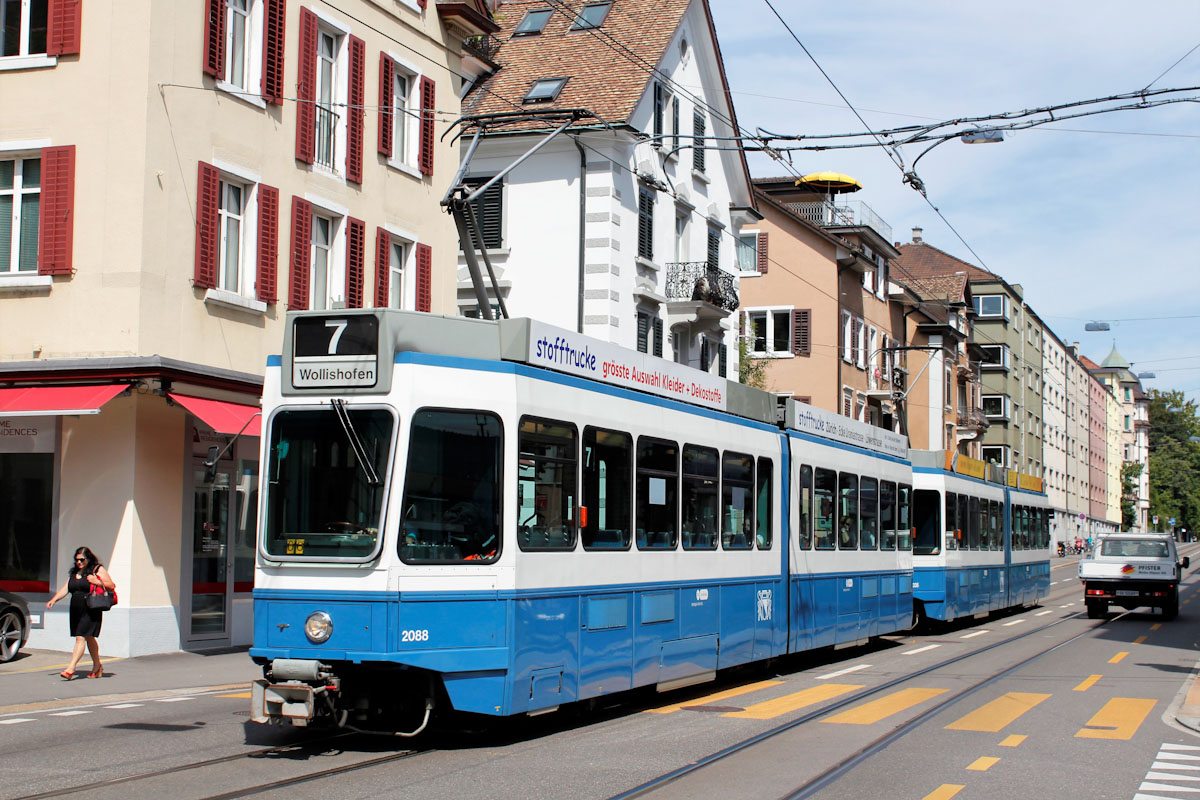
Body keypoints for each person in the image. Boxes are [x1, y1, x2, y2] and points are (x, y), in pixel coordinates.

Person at [46, 547, 115, 680]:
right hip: (76, 609)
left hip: (90, 608)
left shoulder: (97, 569)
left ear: (88, 559)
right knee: (88, 637)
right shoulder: (75, 572)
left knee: (80, 637)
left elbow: (111, 585)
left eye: (82, 560)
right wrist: (54, 600)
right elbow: (66, 588)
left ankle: (71, 668)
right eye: (77, 560)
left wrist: (97, 582)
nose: (79, 562)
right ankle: (97, 666)